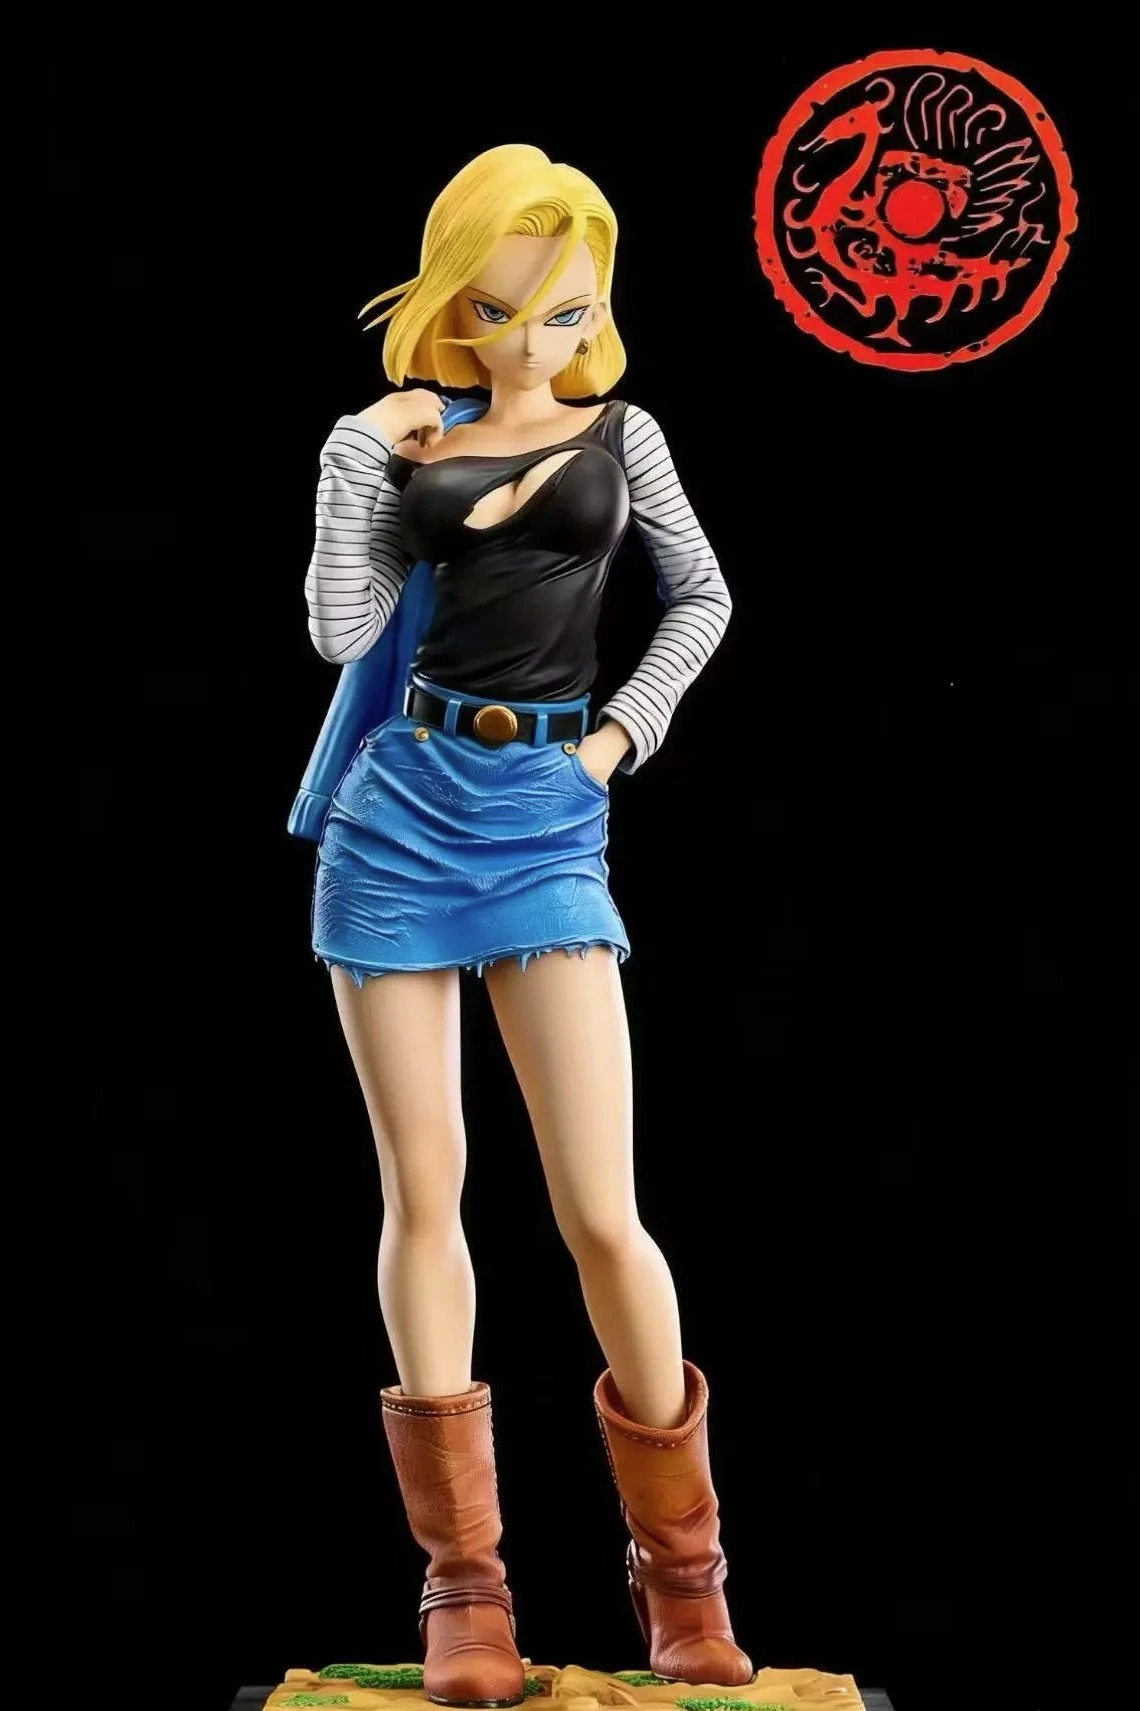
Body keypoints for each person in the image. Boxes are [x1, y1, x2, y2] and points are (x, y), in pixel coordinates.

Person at [299, 143, 752, 1708]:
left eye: (564, 307)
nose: (532, 336)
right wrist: (352, 461)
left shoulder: (626, 434)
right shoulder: (412, 442)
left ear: (598, 307)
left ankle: (685, 1577)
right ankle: (465, 1591)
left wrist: (619, 737)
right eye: (498, 308)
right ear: (454, 305)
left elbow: (703, 597)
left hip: (551, 815)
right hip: (399, 811)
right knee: (425, 1193)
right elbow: (341, 631)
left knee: (601, 1208)